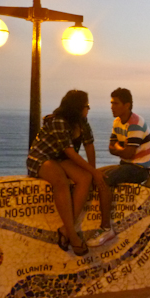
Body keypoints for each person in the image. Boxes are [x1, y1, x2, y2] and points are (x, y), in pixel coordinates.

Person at [26, 90, 109, 257]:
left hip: (61, 157)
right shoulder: (58, 121)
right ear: (76, 107)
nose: (88, 109)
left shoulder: (82, 122)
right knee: (61, 181)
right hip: (42, 157)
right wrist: (94, 171)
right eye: (86, 106)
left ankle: (64, 229)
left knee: (84, 178)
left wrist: (92, 172)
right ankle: (72, 234)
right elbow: (70, 151)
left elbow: (89, 146)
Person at [88, 88, 150, 247]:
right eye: (111, 103)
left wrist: (120, 149)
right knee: (94, 175)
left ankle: (106, 228)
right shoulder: (117, 122)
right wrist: (121, 149)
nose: (112, 107)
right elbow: (111, 148)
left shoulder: (135, 123)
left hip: (140, 169)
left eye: (116, 103)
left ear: (127, 105)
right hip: (126, 164)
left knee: (104, 180)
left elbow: (130, 154)